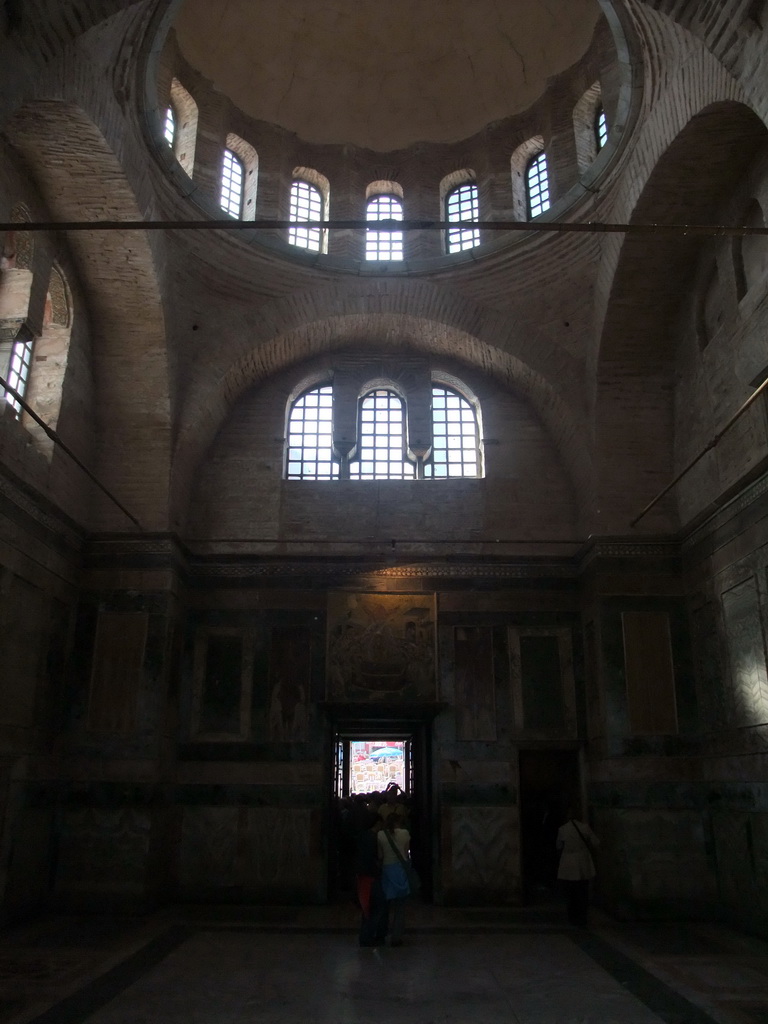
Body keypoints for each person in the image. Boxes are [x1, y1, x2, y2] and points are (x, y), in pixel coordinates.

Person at [556, 809, 599, 927]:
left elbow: (559, 846)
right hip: (583, 863)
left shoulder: (563, 829)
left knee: (571, 892)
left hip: (568, 864)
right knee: (583, 892)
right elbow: (596, 843)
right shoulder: (585, 828)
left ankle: (572, 917)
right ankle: (582, 918)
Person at [354, 809, 389, 947]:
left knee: (368, 906)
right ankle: (369, 936)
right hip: (371, 876)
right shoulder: (373, 838)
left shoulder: (363, 836)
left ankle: (366, 936)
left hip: (363, 876)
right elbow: (374, 857)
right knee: (377, 906)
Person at [377, 812, 412, 946]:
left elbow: (380, 855)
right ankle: (396, 937)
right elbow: (406, 852)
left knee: (384, 906)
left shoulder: (381, 835)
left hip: (387, 870)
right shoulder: (404, 833)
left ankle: (381, 934)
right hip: (400, 870)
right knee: (400, 907)